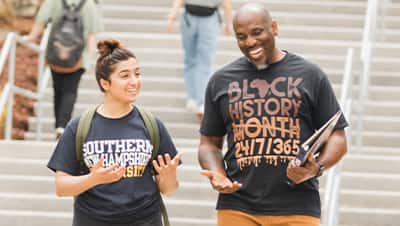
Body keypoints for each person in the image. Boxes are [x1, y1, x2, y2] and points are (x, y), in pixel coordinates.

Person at [198, 3, 348, 226]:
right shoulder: (221, 81)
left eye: (257, 32)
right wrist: (218, 173)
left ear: (274, 27)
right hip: (238, 206)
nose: (250, 42)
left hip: (298, 206)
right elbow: (209, 143)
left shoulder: (310, 75)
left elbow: (338, 137)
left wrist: (316, 168)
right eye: (241, 37)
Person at [47, 38, 181, 226]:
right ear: (105, 83)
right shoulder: (79, 127)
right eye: (125, 76)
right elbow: (61, 187)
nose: (134, 81)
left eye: (137, 74)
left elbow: (169, 190)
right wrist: (93, 179)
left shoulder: (151, 124)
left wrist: (169, 177)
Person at [25, 0, 103, 138]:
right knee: (70, 91)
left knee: (58, 89)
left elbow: (41, 19)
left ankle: (59, 124)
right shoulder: (89, 4)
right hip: (79, 58)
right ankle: (62, 125)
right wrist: (92, 58)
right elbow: (92, 34)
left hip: (56, 54)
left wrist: (31, 37)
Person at [167, 0, 232, 120]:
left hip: (208, 18)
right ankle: (192, 97)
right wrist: (172, 15)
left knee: (204, 61)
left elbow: (226, 2)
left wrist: (228, 22)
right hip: (190, 17)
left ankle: (200, 100)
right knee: (190, 59)